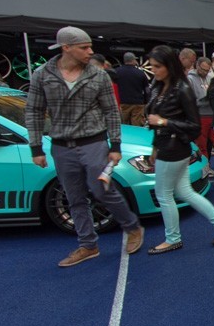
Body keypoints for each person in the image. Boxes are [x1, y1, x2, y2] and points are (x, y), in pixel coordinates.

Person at [25, 26, 144, 267]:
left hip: (93, 142)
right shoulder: (42, 74)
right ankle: (88, 245)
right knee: (74, 197)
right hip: (61, 146)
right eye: (84, 47)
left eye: (90, 47)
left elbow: (111, 111)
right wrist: (35, 148)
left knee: (101, 189)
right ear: (66, 48)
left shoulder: (99, 75)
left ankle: (132, 227)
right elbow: (34, 111)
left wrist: (115, 145)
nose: (90, 51)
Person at [144, 45, 214, 254]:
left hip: (174, 148)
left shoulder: (181, 89)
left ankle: (173, 238)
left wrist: (163, 122)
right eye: (152, 66)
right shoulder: (160, 86)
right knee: (184, 191)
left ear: (169, 66)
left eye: (157, 66)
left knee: (164, 194)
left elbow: (193, 126)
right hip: (168, 146)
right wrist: (155, 146)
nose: (153, 70)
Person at [187, 56, 214, 178]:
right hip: (199, 116)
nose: (205, 72)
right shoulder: (190, 79)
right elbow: (189, 101)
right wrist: (204, 100)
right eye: (203, 69)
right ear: (197, 66)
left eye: (208, 70)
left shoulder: (210, 77)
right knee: (201, 145)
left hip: (212, 115)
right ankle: (205, 169)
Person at [114, 52, 149, 126]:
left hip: (122, 103)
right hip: (137, 103)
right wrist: (146, 101)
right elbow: (146, 89)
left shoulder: (116, 72)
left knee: (122, 125)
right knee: (137, 126)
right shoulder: (140, 73)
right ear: (133, 60)